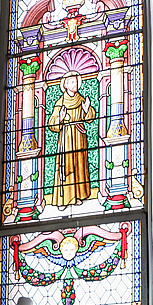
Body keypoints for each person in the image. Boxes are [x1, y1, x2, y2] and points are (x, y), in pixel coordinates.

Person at [47, 72, 96, 208]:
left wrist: (87, 110)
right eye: (72, 82)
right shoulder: (60, 103)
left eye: (76, 82)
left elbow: (90, 118)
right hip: (66, 138)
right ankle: (64, 199)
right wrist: (61, 118)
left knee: (79, 165)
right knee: (66, 165)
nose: (75, 84)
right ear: (65, 85)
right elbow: (52, 123)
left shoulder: (81, 100)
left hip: (79, 136)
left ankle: (78, 195)